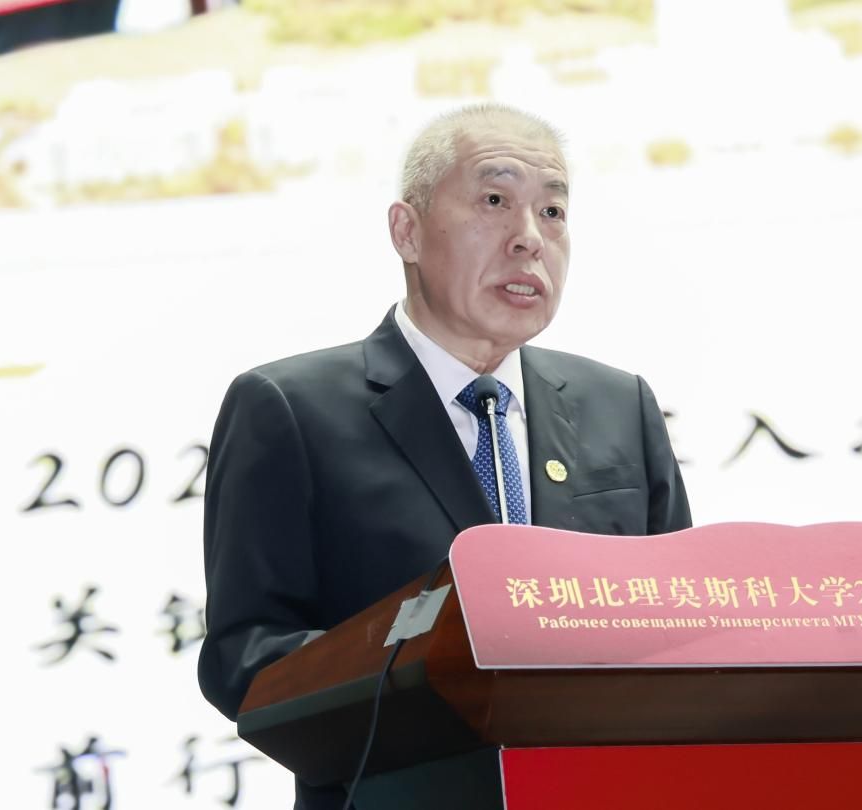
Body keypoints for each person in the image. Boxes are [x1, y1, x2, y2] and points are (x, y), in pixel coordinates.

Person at [197, 103, 691, 809]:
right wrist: (427, 669)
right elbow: (244, 658)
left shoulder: (620, 404)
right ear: (407, 230)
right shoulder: (289, 409)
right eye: (494, 201)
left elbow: (679, 626)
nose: (530, 239)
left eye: (552, 212)